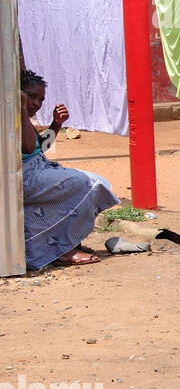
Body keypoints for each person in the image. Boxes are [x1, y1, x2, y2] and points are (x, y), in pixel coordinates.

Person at [18, 69, 119, 270]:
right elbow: (28, 147)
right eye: (31, 97)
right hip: (25, 178)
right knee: (81, 184)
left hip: (39, 168)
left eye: (41, 99)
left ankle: (68, 243)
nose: (37, 103)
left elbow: (40, 146)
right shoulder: (13, 115)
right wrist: (21, 109)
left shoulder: (26, 117)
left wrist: (56, 123)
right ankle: (64, 252)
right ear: (19, 94)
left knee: (97, 182)